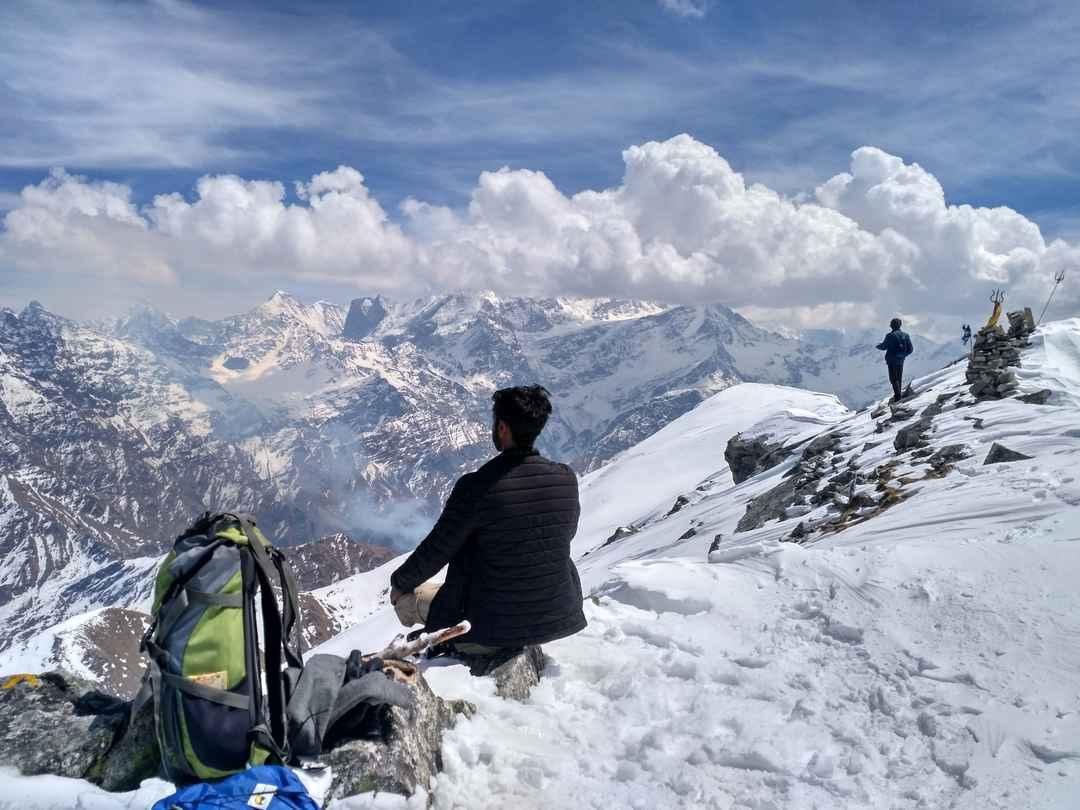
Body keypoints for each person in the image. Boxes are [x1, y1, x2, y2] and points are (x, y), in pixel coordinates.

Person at [389, 385, 586, 657]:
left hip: (494, 625)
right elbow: (566, 533)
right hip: (560, 615)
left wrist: (400, 583)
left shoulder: (476, 487)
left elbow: (438, 549)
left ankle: (459, 640)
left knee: (410, 598)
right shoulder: (566, 479)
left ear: (503, 428)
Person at [876, 317, 914, 400]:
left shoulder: (890, 336)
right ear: (900, 325)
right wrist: (903, 355)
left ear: (892, 326)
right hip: (901, 360)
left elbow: (884, 346)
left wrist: (878, 345)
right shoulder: (906, 335)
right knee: (899, 377)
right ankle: (898, 394)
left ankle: (897, 396)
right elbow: (910, 349)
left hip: (891, 359)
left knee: (893, 378)